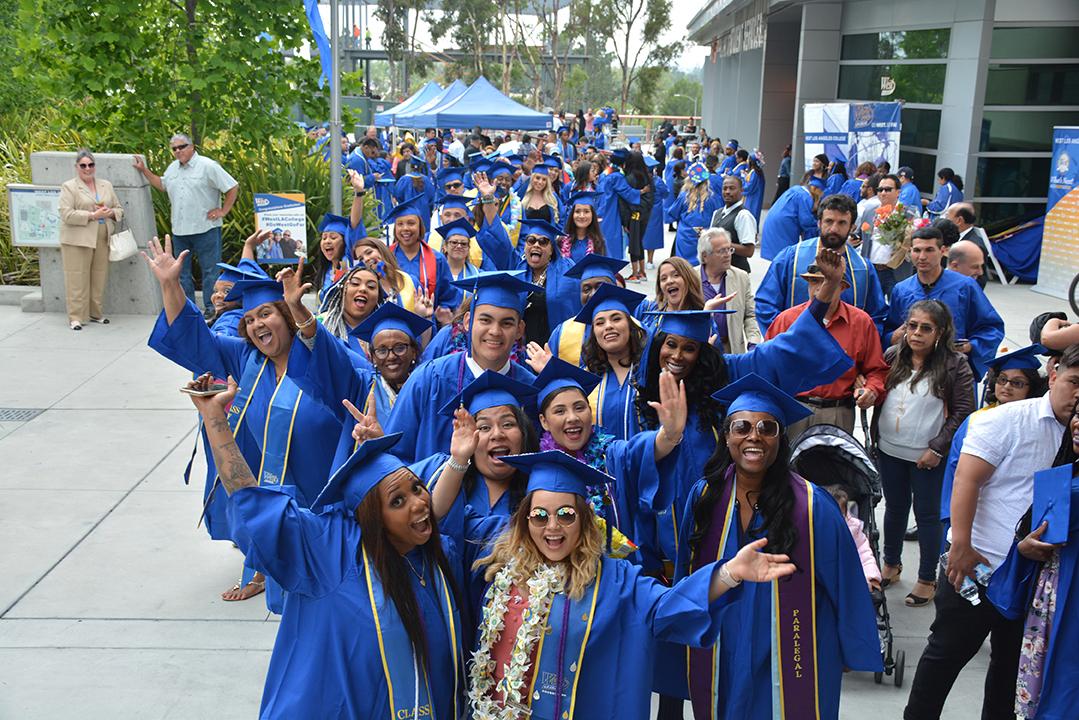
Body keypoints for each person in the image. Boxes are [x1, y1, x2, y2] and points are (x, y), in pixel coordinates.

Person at [464, 450, 795, 720]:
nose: (552, 527)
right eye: (540, 516)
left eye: (566, 514)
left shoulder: (614, 580)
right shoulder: (504, 573)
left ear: (585, 519)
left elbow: (666, 607)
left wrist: (729, 573)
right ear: (526, 519)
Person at [191, 405, 465, 719]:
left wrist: (459, 460)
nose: (419, 503)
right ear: (373, 518)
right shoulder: (329, 553)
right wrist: (215, 417)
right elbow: (252, 504)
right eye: (397, 501)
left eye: (418, 488)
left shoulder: (437, 558)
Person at [143, 240, 342, 610]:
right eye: (249, 319)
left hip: (324, 486)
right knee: (292, 594)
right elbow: (194, 338)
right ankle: (266, 573)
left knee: (328, 584)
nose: (256, 325)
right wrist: (171, 285)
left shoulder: (323, 356)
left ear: (285, 315)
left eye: (266, 314)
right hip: (279, 486)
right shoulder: (247, 358)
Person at [673, 373, 882, 719]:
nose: (754, 436)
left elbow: (845, 583)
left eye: (767, 428)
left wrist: (849, 648)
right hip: (722, 637)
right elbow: (687, 569)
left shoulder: (813, 506)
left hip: (791, 642)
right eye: (742, 427)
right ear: (726, 437)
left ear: (780, 440)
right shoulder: (705, 496)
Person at [635, 247, 856, 568]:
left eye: (690, 347)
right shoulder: (643, 392)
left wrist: (824, 294)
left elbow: (782, 351)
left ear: (703, 351)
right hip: (660, 523)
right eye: (670, 344)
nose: (678, 355)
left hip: (719, 514)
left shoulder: (723, 376)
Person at [903, 344, 1079, 720]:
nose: (1078, 395)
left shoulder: (1076, 435)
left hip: (1034, 579)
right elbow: (967, 480)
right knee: (945, 655)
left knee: (1009, 669)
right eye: (1074, 382)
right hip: (979, 566)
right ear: (1054, 372)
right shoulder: (1006, 420)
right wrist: (962, 546)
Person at [872, 300, 974, 607]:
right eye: (912, 326)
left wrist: (937, 448)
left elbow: (964, 411)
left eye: (925, 328)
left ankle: (927, 578)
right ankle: (891, 564)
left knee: (928, 517)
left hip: (927, 457)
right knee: (894, 508)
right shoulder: (893, 356)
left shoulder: (955, 364)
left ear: (940, 332)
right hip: (889, 450)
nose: (916, 333)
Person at [385, 272, 541, 462]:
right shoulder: (429, 379)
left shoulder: (531, 391)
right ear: (467, 322)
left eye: (506, 323)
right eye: (485, 320)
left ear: (519, 330)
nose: (495, 331)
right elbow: (395, 456)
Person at [987, 402, 1079, 720]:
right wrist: (1026, 547)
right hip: (1052, 591)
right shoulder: (1066, 469)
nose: (1078, 423)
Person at [285, 290, 431, 473]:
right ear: (371, 357)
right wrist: (298, 309)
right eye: (382, 350)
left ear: (414, 352)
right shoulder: (360, 386)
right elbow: (330, 354)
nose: (391, 356)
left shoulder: (427, 389)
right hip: (366, 488)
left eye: (400, 348)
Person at [765, 263, 888, 437]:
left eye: (829, 282)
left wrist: (871, 390)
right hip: (794, 410)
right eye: (814, 282)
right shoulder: (786, 320)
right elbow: (766, 368)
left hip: (838, 412)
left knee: (834, 464)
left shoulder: (861, 322)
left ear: (843, 287)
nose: (821, 288)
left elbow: (876, 369)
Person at [939, 345, 1049, 534]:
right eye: (1002, 380)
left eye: (1017, 383)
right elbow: (954, 471)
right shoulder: (976, 420)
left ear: (1032, 388)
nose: (1006, 387)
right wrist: (950, 515)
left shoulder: (1041, 422)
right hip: (976, 513)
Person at [133, 134, 239, 318]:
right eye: (174, 148)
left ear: (192, 147)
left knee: (210, 272)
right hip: (180, 232)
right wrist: (144, 170)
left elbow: (232, 186)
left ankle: (212, 310)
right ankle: (187, 310)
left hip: (206, 229)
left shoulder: (208, 166)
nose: (178, 151)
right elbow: (162, 184)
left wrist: (223, 210)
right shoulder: (173, 168)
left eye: (181, 146)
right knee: (181, 274)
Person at [756, 193, 887, 336]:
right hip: (795, 348)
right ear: (819, 223)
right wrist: (786, 339)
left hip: (843, 352)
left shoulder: (864, 269)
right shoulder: (790, 258)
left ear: (852, 227)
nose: (834, 229)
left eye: (842, 223)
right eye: (829, 221)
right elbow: (765, 304)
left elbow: (876, 317)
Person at [885, 226, 1005, 378]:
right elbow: (889, 329)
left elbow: (991, 327)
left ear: (943, 251)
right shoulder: (901, 290)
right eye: (917, 250)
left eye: (929, 250)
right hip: (911, 371)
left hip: (953, 371)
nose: (922, 256)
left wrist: (971, 346)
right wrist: (893, 337)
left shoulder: (965, 287)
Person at [58, 149, 123, 330]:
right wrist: (92, 215)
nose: (88, 169)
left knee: (99, 276)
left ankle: (96, 313)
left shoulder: (106, 185)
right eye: (83, 165)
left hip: (102, 236)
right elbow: (66, 214)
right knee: (76, 278)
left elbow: (119, 209)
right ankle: (76, 317)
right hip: (77, 239)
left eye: (91, 164)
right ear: (77, 167)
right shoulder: (69, 186)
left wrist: (111, 213)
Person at [383, 196, 460, 326]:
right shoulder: (385, 258)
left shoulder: (437, 259)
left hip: (427, 325)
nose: (405, 228)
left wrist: (443, 310)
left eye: (411, 223)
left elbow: (448, 296)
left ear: (420, 227)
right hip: (392, 325)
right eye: (400, 224)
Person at [698, 228, 761, 354]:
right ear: (705, 256)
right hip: (699, 350)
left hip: (731, 350)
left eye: (729, 249)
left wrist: (753, 342)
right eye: (721, 251)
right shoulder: (690, 279)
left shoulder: (741, 277)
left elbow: (750, 315)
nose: (728, 254)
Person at [668, 162, 721, 266]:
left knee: (684, 267)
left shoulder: (684, 196)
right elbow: (719, 216)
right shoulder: (713, 197)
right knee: (702, 265)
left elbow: (673, 212)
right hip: (705, 235)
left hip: (685, 236)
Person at [636, 257, 705, 332]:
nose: (669, 281)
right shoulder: (649, 310)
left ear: (689, 279)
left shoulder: (702, 318)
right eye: (663, 278)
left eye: (676, 275)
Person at [593, 152, 641, 260]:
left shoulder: (605, 173)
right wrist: (641, 192)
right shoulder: (616, 176)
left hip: (600, 208)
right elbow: (627, 192)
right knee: (611, 240)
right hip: (610, 210)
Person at [759, 181, 821, 261]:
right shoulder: (804, 197)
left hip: (773, 228)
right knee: (785, 260)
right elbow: (808, 224)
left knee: (778, 261)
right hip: (783, 232)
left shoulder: (796, 190)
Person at [708, 175, 756, 274]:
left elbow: (749, 251)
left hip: (736, 274)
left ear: (741, 191)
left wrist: (721, 244)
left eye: (732, 188)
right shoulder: (717, 213)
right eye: (724, 188)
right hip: (717, 272)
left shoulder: (743, 215)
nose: (727, 192)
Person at [621, 151, 652, 282]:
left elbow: (626, 199)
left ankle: (635, 274)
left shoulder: (629, 178)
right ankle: (642, 271)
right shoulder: (649, 177)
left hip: (633, 214)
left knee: (634, 243)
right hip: (645, 214)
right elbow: (651, 198)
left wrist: (625, 221)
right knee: (639, 241)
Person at [945, 203, 991, 288]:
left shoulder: (974, 246)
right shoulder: (954, 237)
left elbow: (980, 279)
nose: (945, 220)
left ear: (959, 220)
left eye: (947, 217)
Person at [561, 191, 608, 264]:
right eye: (577, 211)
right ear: (572, 215)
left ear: (592, 215)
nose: (582, 216)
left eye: (586, 211)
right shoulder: (561, 241)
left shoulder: (599, 243)